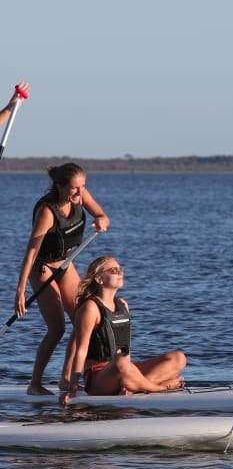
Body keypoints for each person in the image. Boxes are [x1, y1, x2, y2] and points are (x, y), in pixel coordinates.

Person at [15, 162, 111, 395]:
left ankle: (66, 379)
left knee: (81, 321)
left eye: (83, 187)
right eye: (74, 188)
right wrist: (20, 292)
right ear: (60, 186)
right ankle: (34, 384)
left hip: (65, 264)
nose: (79, 193)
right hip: (42, 268)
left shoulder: (81, 196)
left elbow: (101, 215)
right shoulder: (47, 213)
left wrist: (101, 220)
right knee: (56, 329)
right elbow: (30, 253)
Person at [60, 256, 186, 405]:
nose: (120, 273)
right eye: (114, 270)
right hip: (98, 378)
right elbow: (80, 350)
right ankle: (159, 388)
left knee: (178, 358)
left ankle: (133, 387)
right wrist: (73, 387)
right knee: (120, 362)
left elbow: (125, 346)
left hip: (124, 370)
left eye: (121, 269)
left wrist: (130, 373)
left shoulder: (123, 305)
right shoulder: (90, 308)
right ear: (99, 279)